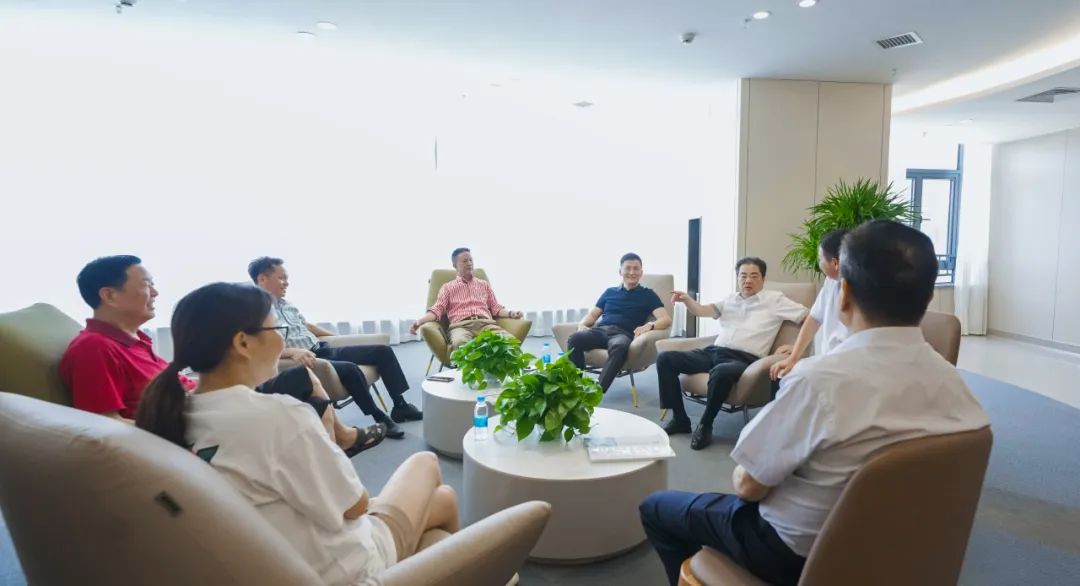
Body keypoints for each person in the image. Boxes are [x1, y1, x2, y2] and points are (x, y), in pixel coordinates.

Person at [639, 221, 990, 586]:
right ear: (929, 297)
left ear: (843, 293)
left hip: (796, 555)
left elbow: (748, 485)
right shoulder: (964, 398)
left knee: (656, 508)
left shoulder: (818, 382)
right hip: (900, 555)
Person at [135, 282, 460, 585]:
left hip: (283, 558)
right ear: (243, 343)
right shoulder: (278, 417)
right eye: (278, 330)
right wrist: (325, 440)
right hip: (344, 567)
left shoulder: (170, 415)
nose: (283, 341)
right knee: (427, 465)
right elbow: (356, 506)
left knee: (438, 528)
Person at [59, 256, 381, 455]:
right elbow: (104, 427)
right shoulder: (93, 348)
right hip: (197, 422)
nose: (155, 292)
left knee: (304, 385)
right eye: (147, 284)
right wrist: (197, 424)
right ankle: (336, 450)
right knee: (300, 399)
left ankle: (337, 444)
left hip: (203, 407)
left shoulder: (137, 339)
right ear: (110, 295)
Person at [248, 257, 422, 440]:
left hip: (323, 349)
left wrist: (334, 337)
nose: (287, 283)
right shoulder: (255, 311)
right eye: (281, 278)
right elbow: (258, 348)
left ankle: (400, 406)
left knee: (382, 351)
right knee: (350, 369)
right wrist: (292, 352)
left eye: (286, 278)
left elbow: (306, 326)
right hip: (309, 359)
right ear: (262, 279)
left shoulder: (287, 304)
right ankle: (379, 417)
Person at [659, 257, 807, 450]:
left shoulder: (775, 300)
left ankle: (705, 425)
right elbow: (702, 310)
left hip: (744, 358)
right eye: (743, 276)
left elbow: (810, 317)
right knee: (665, 359)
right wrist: (687, 299)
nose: (748, 280)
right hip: (713, 352)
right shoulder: (730, 299)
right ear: (737, 278)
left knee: (721, 372)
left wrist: (795, 347)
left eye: (754, 276)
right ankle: (680, 418)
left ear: (763, 279)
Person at [567, 253, 671, 392]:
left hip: (622, 334)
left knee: (620, 347)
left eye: (636, 268)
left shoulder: (648, 295)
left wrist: (650, 325)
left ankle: (597, 391)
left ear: (641, 272)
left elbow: (666, 319)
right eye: (627, 268)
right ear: (620, 271)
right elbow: (592, 315)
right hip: (601, 331)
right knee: (574, 338)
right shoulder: (609, 292)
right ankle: (575, 386)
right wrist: (582, 324)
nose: (632, 272)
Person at [770, 228, 849, 381]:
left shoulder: (862, 289)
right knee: (785, 376)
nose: (819, 264)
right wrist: (793, 358)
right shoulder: (831, 281)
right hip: (827, 360)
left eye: (820, 259)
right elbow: (814, 318)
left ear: (835, 263)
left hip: (844, 365)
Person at [409, 247, 524, 350]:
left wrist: (511, 313)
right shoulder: (447, 287)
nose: (469, 263)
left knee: (510, 342)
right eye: (464, 261)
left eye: (471, 260)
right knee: (461, 344)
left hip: (486, 324)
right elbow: (437, 310)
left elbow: (495, 307)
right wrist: (419, 322)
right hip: (461, 327)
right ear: (455, 265)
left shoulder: (483, 284)